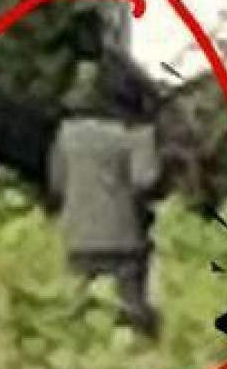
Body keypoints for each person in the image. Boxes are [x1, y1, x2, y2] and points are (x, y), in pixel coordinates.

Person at [47, 59, 165, 338]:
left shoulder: (66, 135)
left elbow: (57, 184)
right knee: (133, 307)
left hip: (75, 235)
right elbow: (145, 181)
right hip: (123, 237)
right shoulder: (134, 136)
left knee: (75, 308)